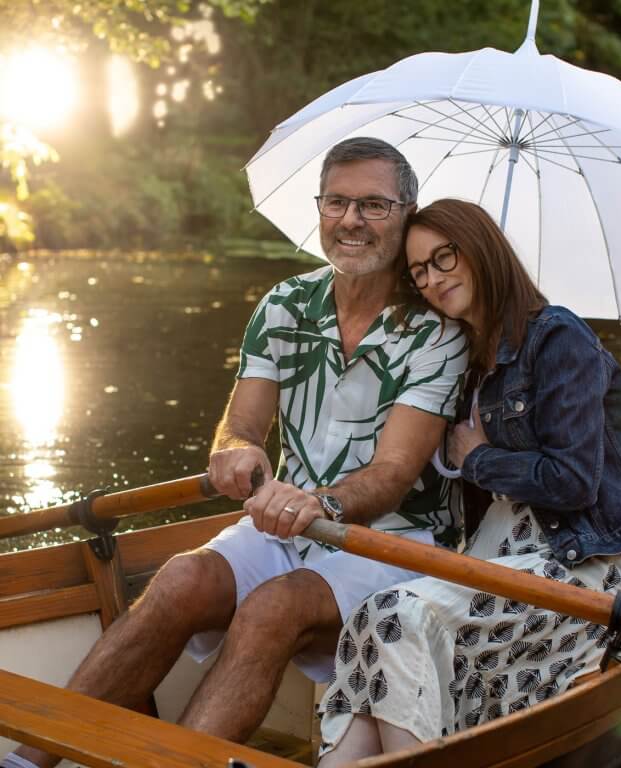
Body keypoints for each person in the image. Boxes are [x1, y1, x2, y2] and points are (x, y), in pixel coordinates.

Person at [2, 140, 468, 768]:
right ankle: (26, 762)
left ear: (408, 213)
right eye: (337, 201)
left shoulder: (436, 332)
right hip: (285, 524)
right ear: (320, 208)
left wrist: (318, 501)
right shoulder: (283, 306)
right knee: (181, 578)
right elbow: (241, 423)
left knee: (273, 608)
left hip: (392, 544)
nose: (351, 219)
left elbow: (391, 476)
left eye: (375, 205)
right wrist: (236, 451)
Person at [316, 198, 621, 764]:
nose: (431, 279)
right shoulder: (469, 360)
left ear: (480, 250)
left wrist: (477, 459)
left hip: (572, 560)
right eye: (420, 271)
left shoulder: (558, 340)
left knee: (391, 614)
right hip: (493, 554)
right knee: (384, 617)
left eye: (443, 258)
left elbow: (573, 482)